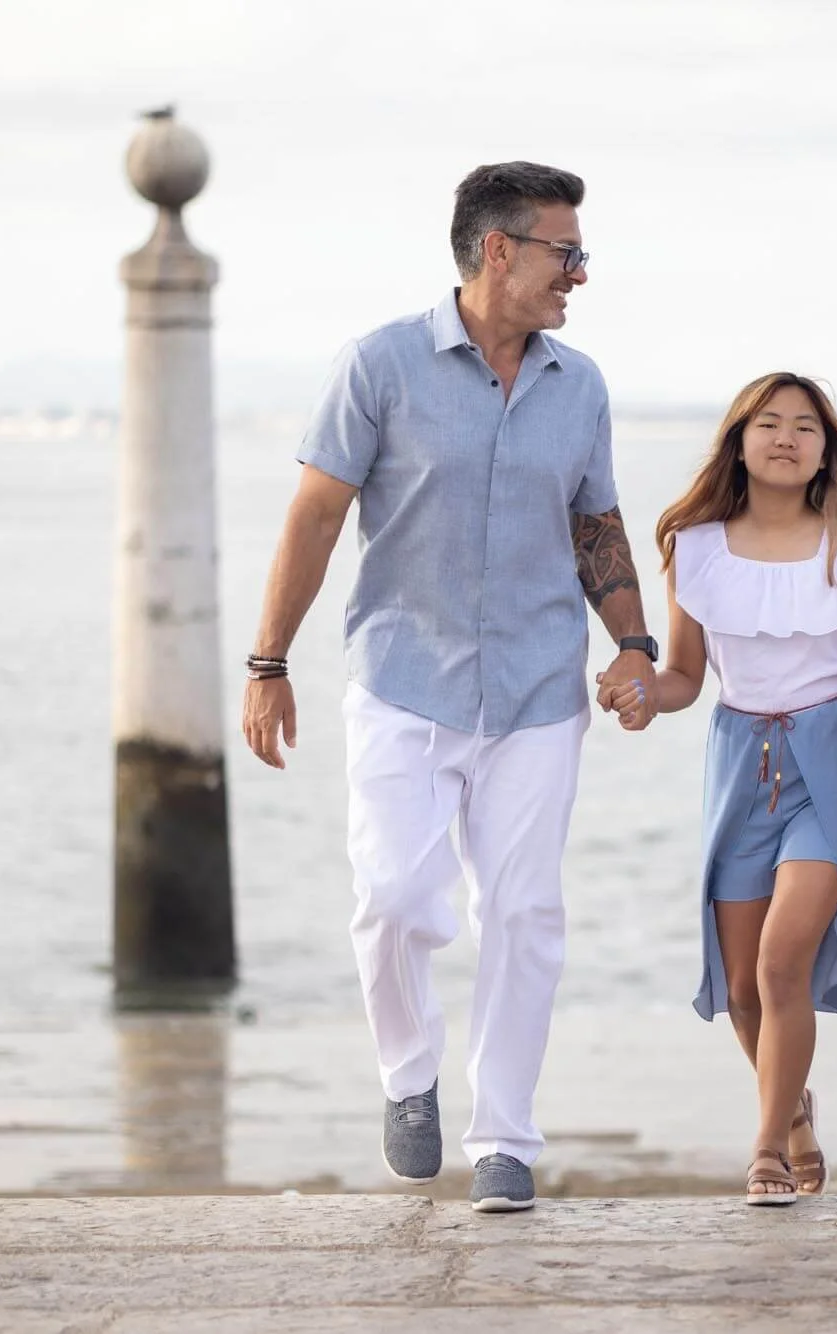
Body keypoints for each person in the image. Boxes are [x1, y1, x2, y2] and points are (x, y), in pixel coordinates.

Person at [239, 161, 661, 1214]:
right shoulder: (379, 365)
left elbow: (594, 522)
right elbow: (315, 516)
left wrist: (633, 643)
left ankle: (505, 1137)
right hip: (404, 680)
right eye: (567, 253)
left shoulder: (581, 385)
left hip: (538, 693)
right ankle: (407, 1074)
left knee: (524, 912)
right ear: (499, 250)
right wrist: (268, 660)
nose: (581, 274)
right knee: (392, 899)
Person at [612, 373, 837, 1206]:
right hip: (740, 762)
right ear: (739, 442)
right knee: (743, 988)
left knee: (782, 964)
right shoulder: (695, 547)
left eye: (805, 426)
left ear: (826, 450)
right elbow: (684, 675)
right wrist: (644, 696)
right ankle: (796, 1112)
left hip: (835, 758)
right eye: (769, 423)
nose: (786, 437)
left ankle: (767, 1148)